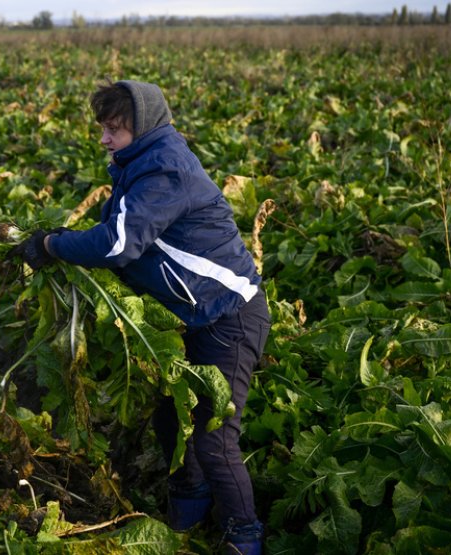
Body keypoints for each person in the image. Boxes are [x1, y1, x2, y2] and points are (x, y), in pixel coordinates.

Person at [19, 80, 271, 555]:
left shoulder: (165, 170)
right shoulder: (138, 163)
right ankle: (187, 513)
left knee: (215, 437)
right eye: (102, 129)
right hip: (196, 314)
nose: (104, 139)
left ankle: (244, 536)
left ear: (144, 126)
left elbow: (117, 244)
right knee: (172, 419)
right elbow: (120, 231)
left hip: (231, 316)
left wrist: (53, 244)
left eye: (114, 129)